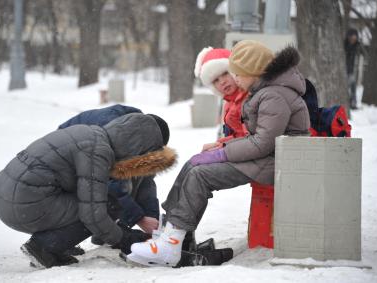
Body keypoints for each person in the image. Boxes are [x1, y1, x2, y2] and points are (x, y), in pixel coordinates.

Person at [127, 40, 310, 267]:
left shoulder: (273, 95)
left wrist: (224, 152)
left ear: (252, 70)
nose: (233, 79)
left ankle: (170, 245)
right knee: (194, 166)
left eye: (237, 74)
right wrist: (223, 147)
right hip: (268, 158)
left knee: (200, 175)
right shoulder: (265, 92)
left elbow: (262, 143)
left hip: (276, 162)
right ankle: (172, 236)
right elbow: (260, 138)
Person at [0, 113, 176, 268]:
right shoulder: (98, 151)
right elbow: (93, 215)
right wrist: (125, 238)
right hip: (24, 203)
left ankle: (55, 245)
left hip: (5, 194)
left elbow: (144, 182)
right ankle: (44, 247)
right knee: (108, 205)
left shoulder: (92, 133)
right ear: (140, 146)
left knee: (97, 199)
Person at [58, 105, 161, 247]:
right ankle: (56, 243)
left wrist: (152, 219)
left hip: (85, 159)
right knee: (99, 196)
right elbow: (108, 184)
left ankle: (106, 231)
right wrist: (140, 219)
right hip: (64, 163)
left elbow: (146, 180)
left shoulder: (137, 131)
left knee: (133, 176)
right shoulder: (114, 130)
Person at [194, 47, 249, 152]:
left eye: (225, 74)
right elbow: (237, 136)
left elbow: (249, 139)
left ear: (235, 71)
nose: (222, 82)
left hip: (249, 156)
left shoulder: (247, 98)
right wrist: (219, 144)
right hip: (239, 152)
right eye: (216, 80)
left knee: (198, 166)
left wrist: (222, 148)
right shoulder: (229, 104)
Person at [344, 28, 364, 110]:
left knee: (353, 87)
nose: (353, 40)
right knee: (348, 87)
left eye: (355, 38)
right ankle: (349, 102)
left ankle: (353, 103)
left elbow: (363, 53)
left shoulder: (357, 45)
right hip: (345, 69)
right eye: (352, 38)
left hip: (352, 70)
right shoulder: (345, 45)